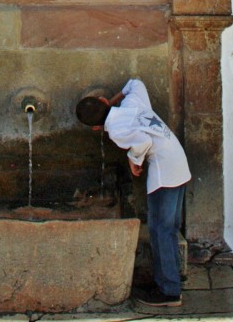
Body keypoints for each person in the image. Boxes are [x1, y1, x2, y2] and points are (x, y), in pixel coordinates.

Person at [76, 79, 190, 309]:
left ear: (96, 128)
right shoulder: (131, 103)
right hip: (178, 161)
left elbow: (143, 141)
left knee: (160, 230)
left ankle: (169, 290)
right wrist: (114, 99)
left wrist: (133, 159)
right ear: (102, 101)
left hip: (164, 173)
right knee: (170, 226)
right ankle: (174, 277)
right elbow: (134, 82)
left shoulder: (116, 130)